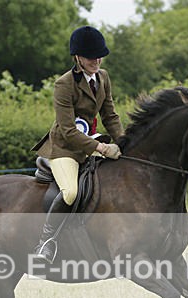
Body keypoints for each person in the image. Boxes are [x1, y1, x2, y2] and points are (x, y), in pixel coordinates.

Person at [31, 25, 124, 264]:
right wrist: (103, 148)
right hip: (65, 148)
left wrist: (124, 143)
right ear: (78, 58)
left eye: (99, 55)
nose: (97, 60)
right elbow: (68, 131)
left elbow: (110, 115)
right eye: (91, 57)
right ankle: (45, 243)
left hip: (91, 141)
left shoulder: (103, 78)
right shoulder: (64, 85)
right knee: (71, 192)